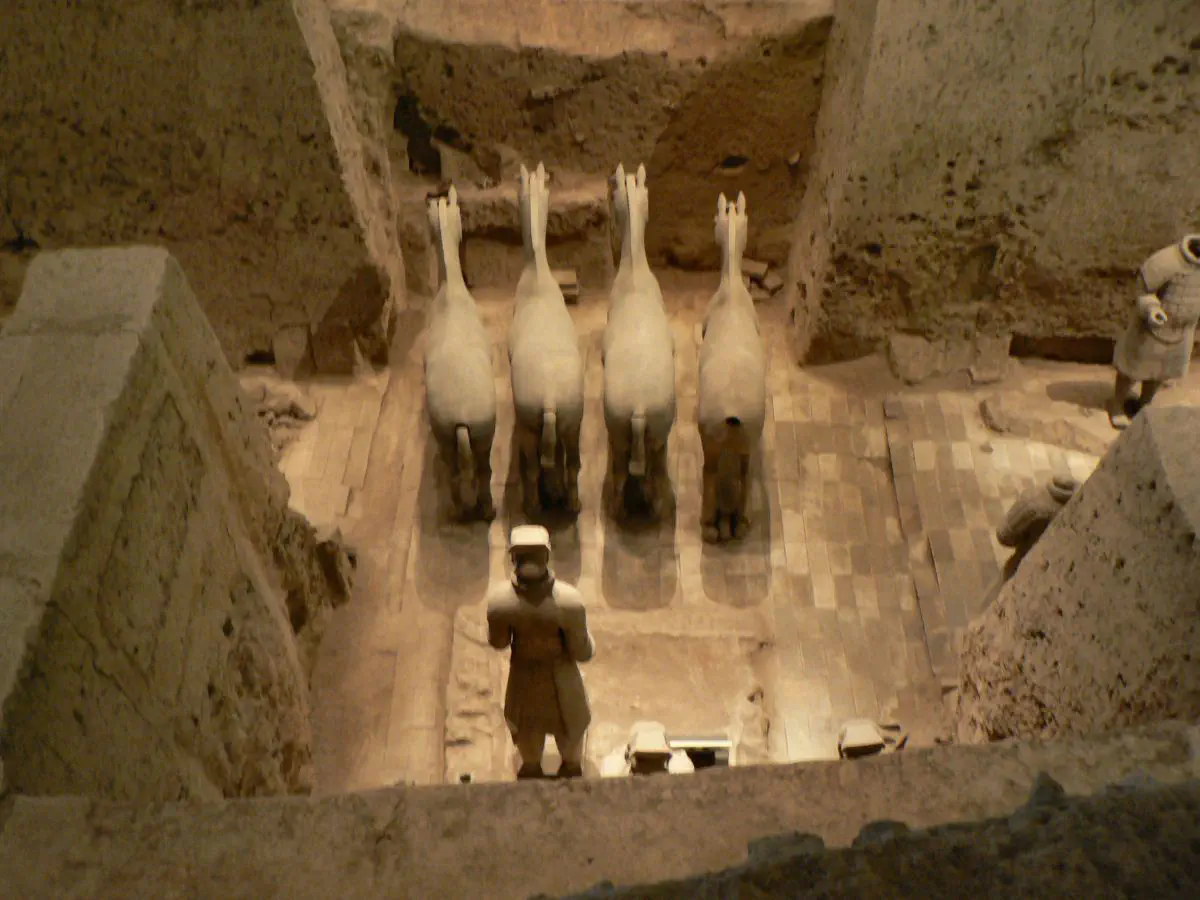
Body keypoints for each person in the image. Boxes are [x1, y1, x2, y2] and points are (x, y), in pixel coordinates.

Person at [487, 525, 595, 779]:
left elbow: (499, 642)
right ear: (546, 556)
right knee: (572, 755)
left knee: (529, 756)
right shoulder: (569, 601)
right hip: (563, 686)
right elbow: (582, 652)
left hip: (524, 687)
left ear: (513, 558)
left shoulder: (500, 602)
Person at [1109, 234, 1200, 429]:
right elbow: (1143, 290)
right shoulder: (1167, 261)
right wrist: (1152, 309)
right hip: (1151, 328)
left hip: (1183, 330)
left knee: (1160, 371)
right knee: (1131, 369)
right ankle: (1117, 406)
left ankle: (1145, 404)